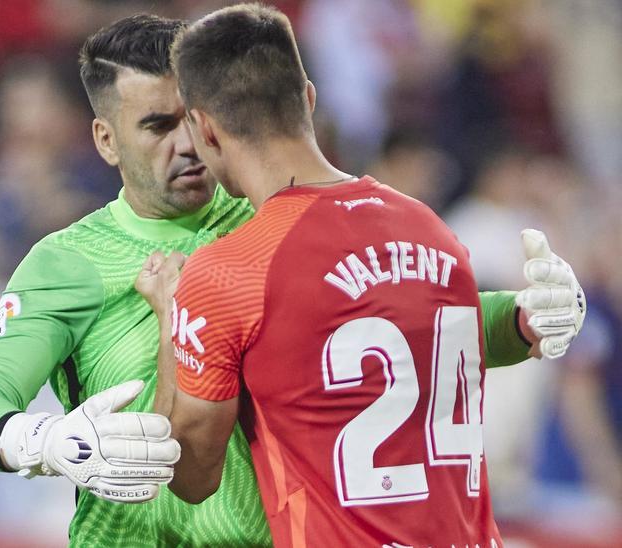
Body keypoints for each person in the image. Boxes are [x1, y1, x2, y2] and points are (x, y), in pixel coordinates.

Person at [0, 14, 562, 547]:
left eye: (192, 119)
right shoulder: (70, 262)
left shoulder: (275, 224)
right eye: (158, 126)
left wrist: (524, 317)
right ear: (106, 140)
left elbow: (403, 332)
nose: (187, 144)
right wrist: (44, 441)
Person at [145, 4, 586, 546]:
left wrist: (173, 318)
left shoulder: (231, 270)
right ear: (308, 97)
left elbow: (190, 475)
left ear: (204, 129)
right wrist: (524, 320)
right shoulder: (429, 228)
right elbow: (434, 335)